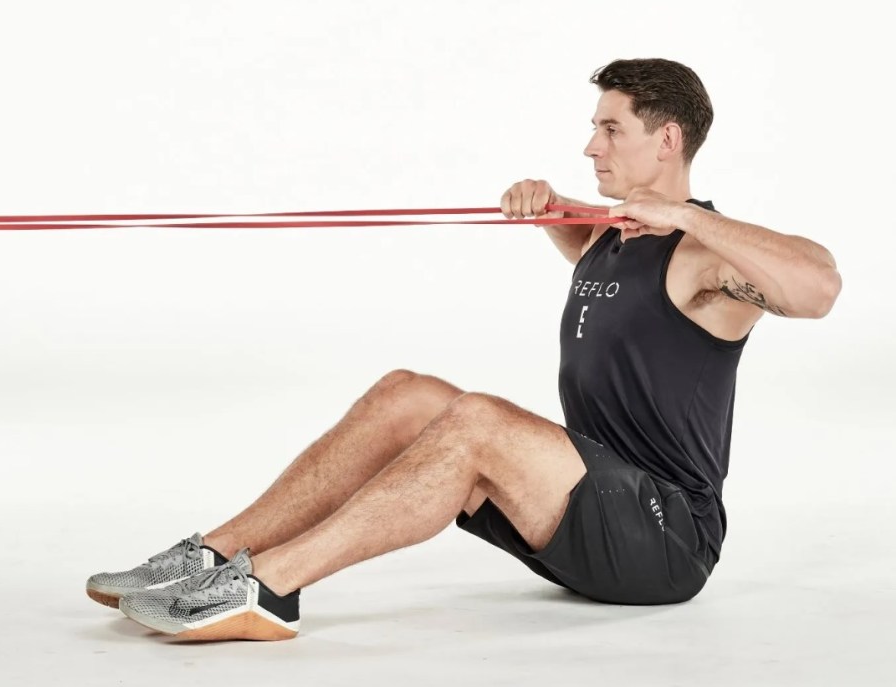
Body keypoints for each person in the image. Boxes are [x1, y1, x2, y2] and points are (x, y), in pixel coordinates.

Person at [86, 57, 842, 641]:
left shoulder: (703, 260)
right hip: (589, 508)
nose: (591, 145)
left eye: (611, 128)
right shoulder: (615, 241)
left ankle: (269, 588)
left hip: (666, 536)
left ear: (668, 139)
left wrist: (683, 213)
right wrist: (543, 207)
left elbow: (820, 286)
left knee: (477, 418)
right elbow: (601, 268)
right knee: (408, 392)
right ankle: (215, 556)